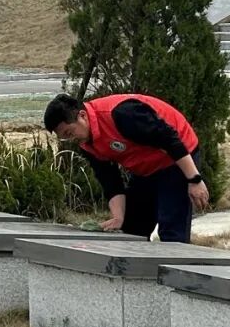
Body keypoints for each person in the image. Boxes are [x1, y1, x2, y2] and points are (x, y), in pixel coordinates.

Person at [43, 93, 208, 243]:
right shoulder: (86, 142)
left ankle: (174, 264)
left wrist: (194, 179)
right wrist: (118, 217)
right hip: (145, 167)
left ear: (82, 116)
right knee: (131, 230)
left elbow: (169, 140)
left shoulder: (122, 114)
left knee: (171, 231)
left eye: (69, 133)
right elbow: (110, 180)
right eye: (65, 137)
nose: (71, 140)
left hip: (177, 157)